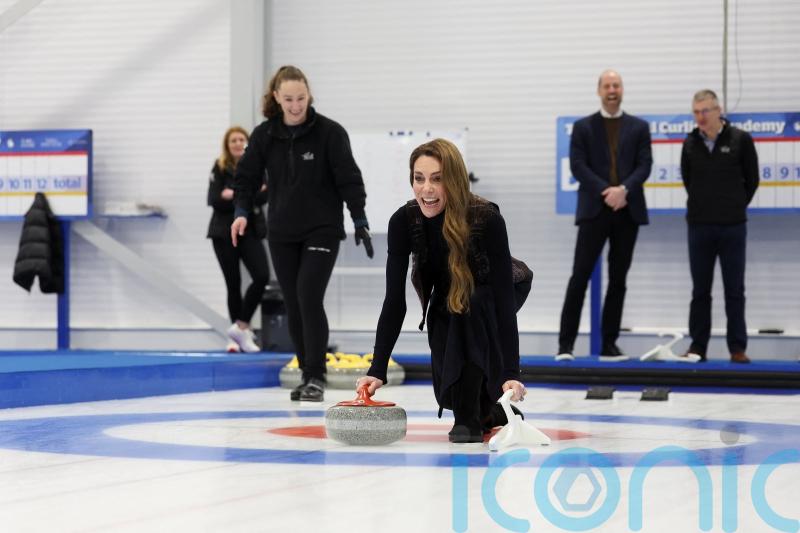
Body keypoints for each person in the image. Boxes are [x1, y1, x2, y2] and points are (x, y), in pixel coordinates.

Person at [356, 139, 528, 443]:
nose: (427, 189)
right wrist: (377, 367)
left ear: (455, 180)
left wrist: (511, 372)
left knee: (469, 308)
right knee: (444, 319)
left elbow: (502, 299)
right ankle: (488, 411)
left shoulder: (487, 217)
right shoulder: (403, 221)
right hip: (449, 295)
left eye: (437, 179)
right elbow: (394, 301)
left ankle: (468, 418)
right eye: (419, 178)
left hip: (499, 288)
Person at [232, 65, 373, 401]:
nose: (296, 105)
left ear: (309, 95)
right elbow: (246, 178)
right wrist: (240, 212)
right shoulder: (265, 135)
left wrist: (359, 218)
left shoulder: (330, 133)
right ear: (277, 99)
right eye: (289, 99)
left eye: (301, 98)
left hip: (322, 228)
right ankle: (306, 371)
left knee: (309, 296)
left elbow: (348, 178)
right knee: (294, 304)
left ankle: (315, 377)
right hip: (281, 231)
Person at [556, 69, 652, 362]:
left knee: (618, 279)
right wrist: (607, 191)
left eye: (617, 85)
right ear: (599, 91)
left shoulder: (639, 127)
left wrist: (623, 189)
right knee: (579, 276)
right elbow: (578, 166)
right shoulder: (584, 127)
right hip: (594, 211)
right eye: (607, 85)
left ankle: (609, 344)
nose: (612, 90)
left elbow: (644, 165)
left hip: (627, 210)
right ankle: (565, 345)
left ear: (622, 90)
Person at [678, 89, 759, 364]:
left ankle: (737, 348)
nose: (701, 117)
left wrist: (733, 205)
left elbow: (753, 179)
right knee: (700, 290)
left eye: (706, 111)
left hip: (733, 226)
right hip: (699, 227)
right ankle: (698, 346)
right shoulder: (689, 143)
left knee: (734, 289)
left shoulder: (740, 140)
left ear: (718, 110)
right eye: (696, 112)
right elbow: (688, 180)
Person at [207, 126, 270, 353]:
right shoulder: (220, 166)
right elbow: (214, 199)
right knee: (233, 284)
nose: (237, 143)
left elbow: (265, 194)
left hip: (250, 230)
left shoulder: (257, 165)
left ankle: (241, 326)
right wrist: (245, 194)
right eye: (233, 140)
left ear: (248, 143)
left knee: (261, 276)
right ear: (227, 144)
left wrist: (231, 193)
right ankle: (236, 337)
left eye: (241, 140)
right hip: (223, 233)